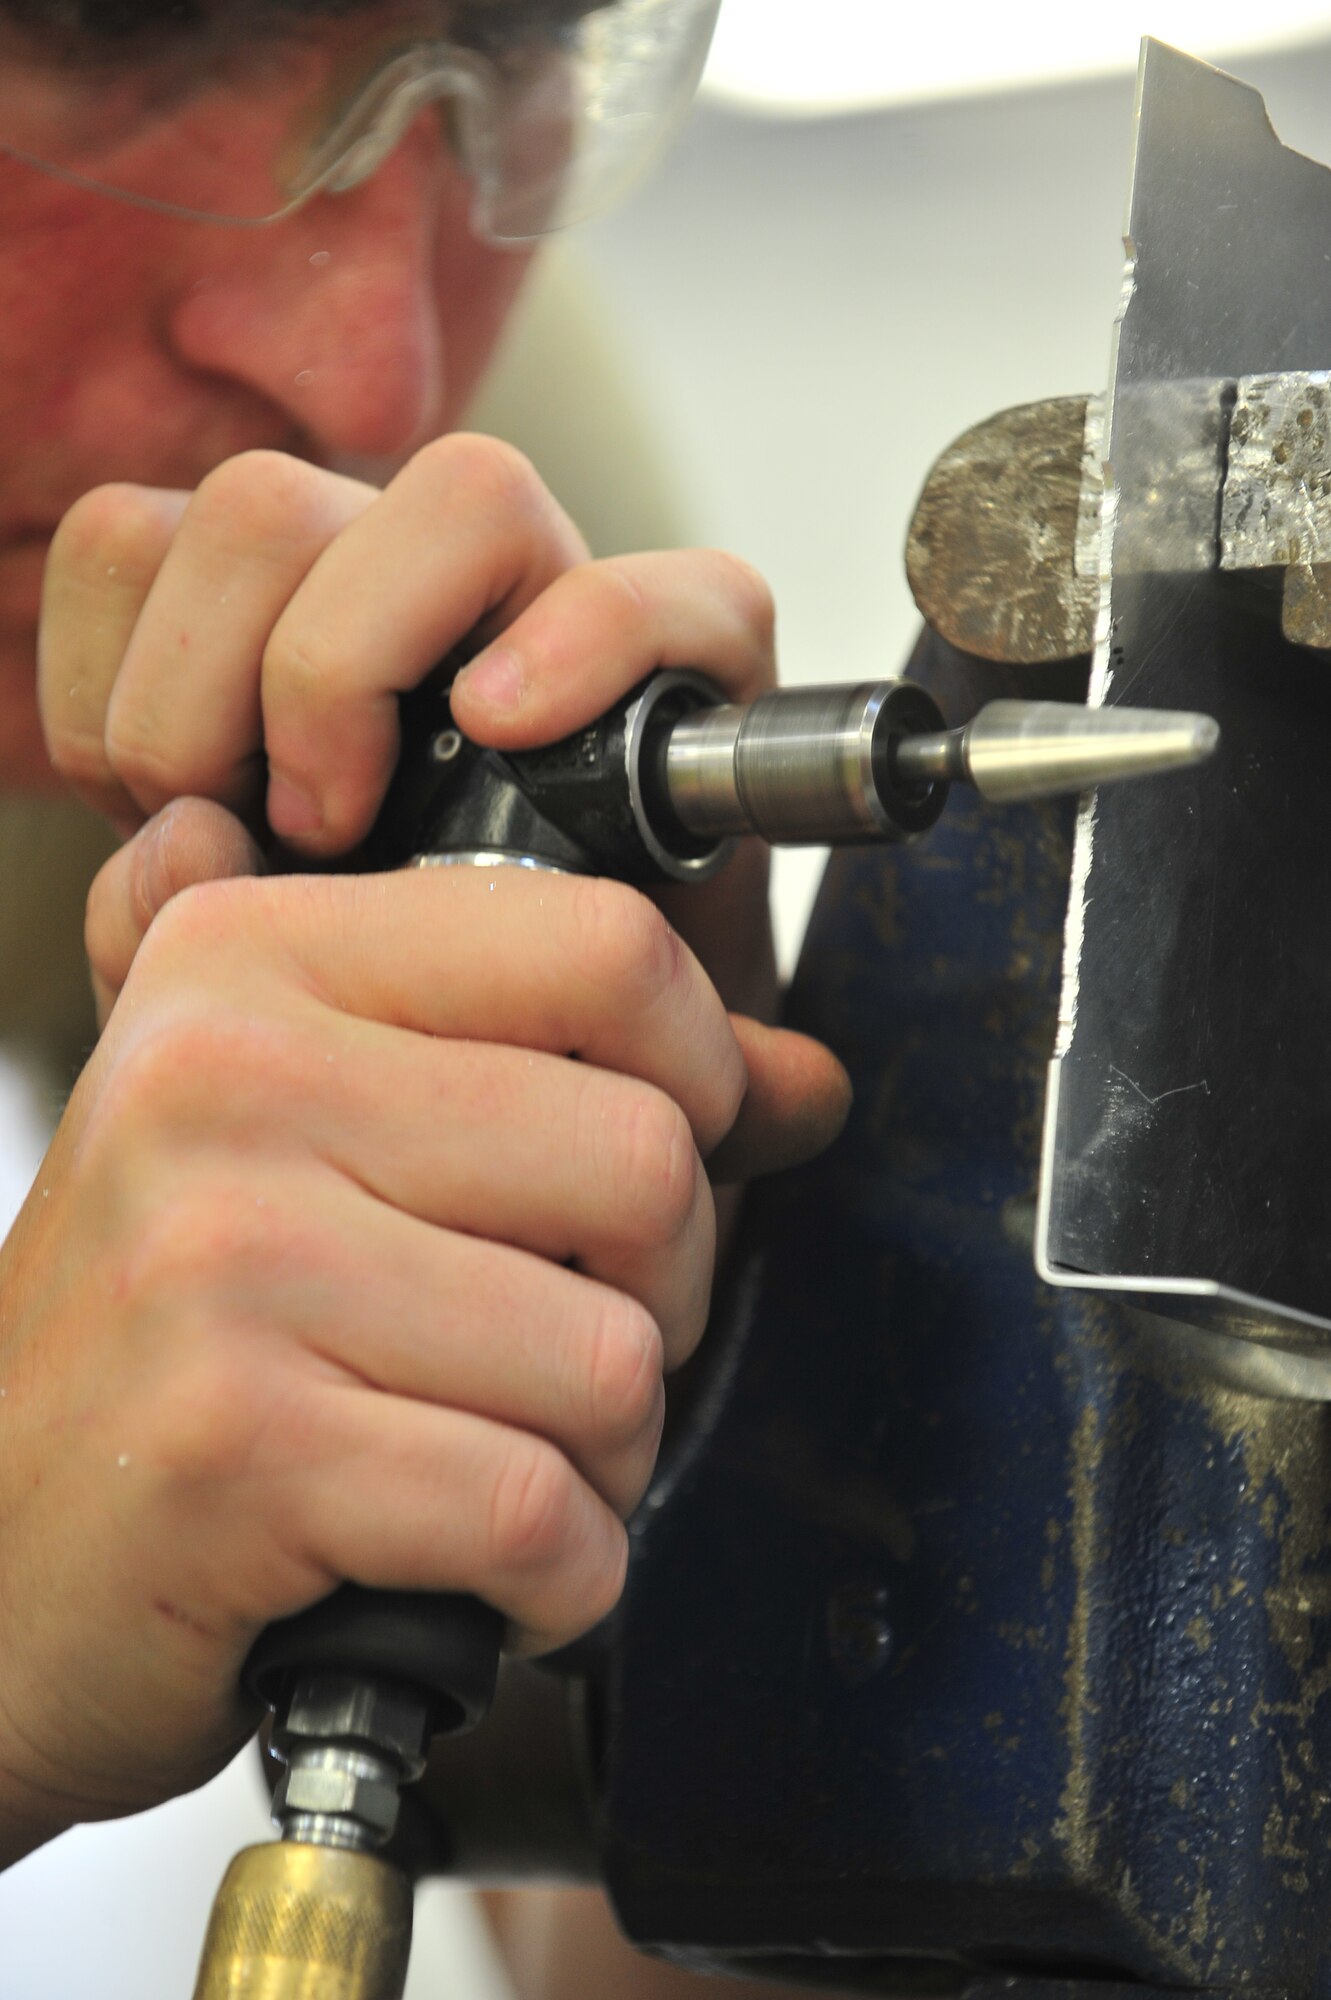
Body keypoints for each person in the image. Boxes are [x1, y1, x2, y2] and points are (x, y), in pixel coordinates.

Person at [0, 0, 852, 1989]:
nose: (359, 361)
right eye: (121, 40)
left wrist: (727, 1437)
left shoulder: (436, 506)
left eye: (518, 60)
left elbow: (609, 1933)